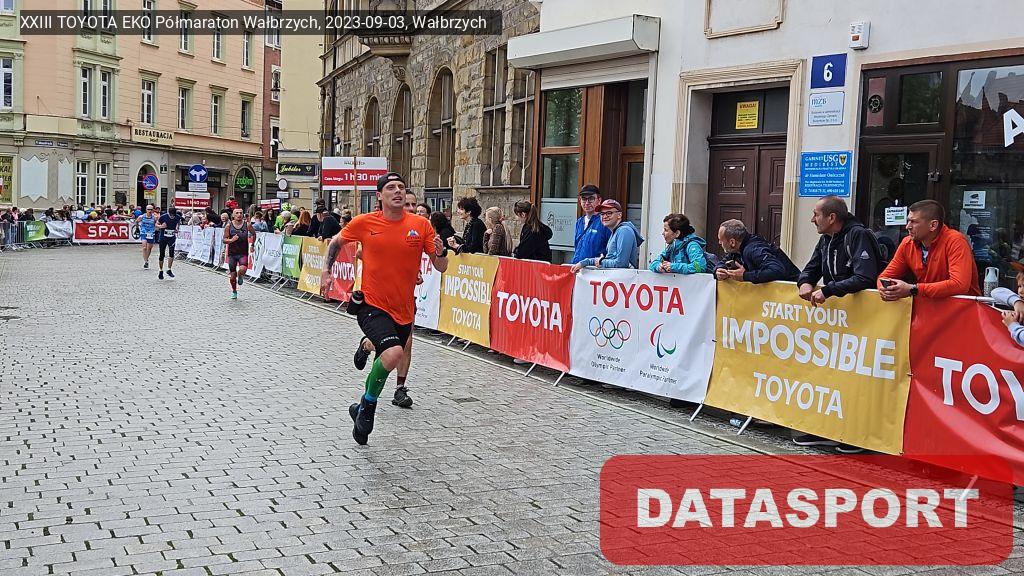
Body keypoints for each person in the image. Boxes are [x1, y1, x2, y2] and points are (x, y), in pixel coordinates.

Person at [321, 172, 448, 445]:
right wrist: (326, 271)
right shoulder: (365, 222)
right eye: (391, 187)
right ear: (379, 196)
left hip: (403, 309)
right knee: (393, 354)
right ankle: (368, 407)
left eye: (401, 187)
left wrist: (441, 253)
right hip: (371, 304)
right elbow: (336, 243)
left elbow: (440, 266)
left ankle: (360, 407)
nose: (398, 191)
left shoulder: (420, 225)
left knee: (387, 357)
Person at [878, 199, 980, 300]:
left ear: (933, 225)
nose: (907, 226)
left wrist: (914, 289)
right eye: (908, 221)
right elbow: (884, 277)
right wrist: (886, 290)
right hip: (929, 306)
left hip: (963, 308)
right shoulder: (907, 243)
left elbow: (959, 285)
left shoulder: (956, 241)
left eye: (913, 222)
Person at [797, 196, 884, 305]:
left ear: (832, 218)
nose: (812, 219)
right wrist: (805, 282)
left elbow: (864, 278)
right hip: (839, 312)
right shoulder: (825, 239)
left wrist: (828, 291)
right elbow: (812, 268)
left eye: (816, 214)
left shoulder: (858, 235)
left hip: (867, 309)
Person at [714, 219, 800, 283]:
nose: (719, 243)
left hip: (791, 295)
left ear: (732, 242)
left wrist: (745, 276)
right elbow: (723, 261)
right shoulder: (737, 249)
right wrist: (718, 270)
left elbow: (777, 270)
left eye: (721, 240)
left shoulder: (753, 249)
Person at [570, 199, 644, 272]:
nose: (605, 216)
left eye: (609, 213)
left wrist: (598, 261)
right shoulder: (615, 232)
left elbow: (621, 264)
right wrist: (588, 262)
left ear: (619, 215)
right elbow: (611, 260)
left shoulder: (624, 231)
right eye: (602, 214)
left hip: (623, 278)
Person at [572, 184, 612, 265]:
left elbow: (610, 251)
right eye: (584, 199)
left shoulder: (605, 221)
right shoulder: (579, 222)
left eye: (591, 199)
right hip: (577, 268)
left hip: (595, 269)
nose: (587, 203)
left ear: (599, 200)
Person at [223, 207, 255, 300]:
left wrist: (253, 244)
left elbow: (254, 234)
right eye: (237, 213)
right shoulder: (228, 226)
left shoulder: (247, 225)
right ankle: (234, 291)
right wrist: (231, 240)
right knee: (232, 277)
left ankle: (240, 275)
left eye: (241, 213)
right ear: (233, 215)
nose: (239, 215)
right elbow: (224, 240)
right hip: (232, 254)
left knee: (242, 269)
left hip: (243, 253)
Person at [993, 272, 1024, 349]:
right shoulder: (1020, 302)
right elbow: (995, 292)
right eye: (1019, 286)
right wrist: (1017, 302)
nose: (1021, 291)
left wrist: (1012, 325)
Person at [155, 206, 183, 280]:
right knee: (162, 254)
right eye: (171, 215)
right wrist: (161, 226)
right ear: (168, 213)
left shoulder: (177, 217)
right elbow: (156, 225)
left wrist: (177, 229)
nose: (172, 216)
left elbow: (178, 223)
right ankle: (160, 270)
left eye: (173, 215)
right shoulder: (163, 217)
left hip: (171, 237)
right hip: (163, 237)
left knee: (171, 253)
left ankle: (169, 269)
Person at [136, 204, 158, 269]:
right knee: (144, 247)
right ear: (146, 210)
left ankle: (146, 259)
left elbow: (157, 224)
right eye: (148, 209)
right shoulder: (141, 216)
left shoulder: (155, 217)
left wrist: (157, 227)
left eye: (151, 209)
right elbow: (136, 221)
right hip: (143, 233)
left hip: (151, 233)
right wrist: (137, 228)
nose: (150, 211)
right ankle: (146, 262)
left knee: (149, 248)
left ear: (153, 210)